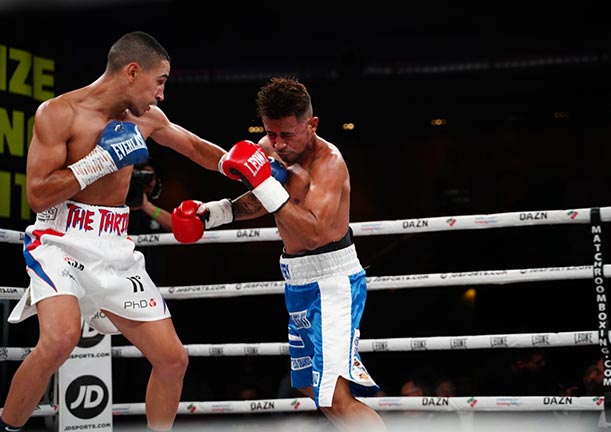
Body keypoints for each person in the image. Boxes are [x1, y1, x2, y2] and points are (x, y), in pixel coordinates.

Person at [1, 31, 226, 432]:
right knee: (58, 340)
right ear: (132, 71)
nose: (161, 95)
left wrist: (245, 166)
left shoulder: (147, 120)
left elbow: (195, 149)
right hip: (60, 239)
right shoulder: (59, 113)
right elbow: (37, 196)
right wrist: (100, 161)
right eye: (160, 81)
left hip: (115, 246)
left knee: (173, 360)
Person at [171, 77, 386, 430]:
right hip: (297, 279)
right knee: (308, 385)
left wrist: (265, 183)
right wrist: (217, 212)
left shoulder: (328, 163)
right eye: (271, 134)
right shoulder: (268, 148)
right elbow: (262, 199)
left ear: (311, 124)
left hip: (333, 280)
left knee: (335, 396)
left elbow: (314, 231)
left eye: (287, 134)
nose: (278, 144)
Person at [128, 159, 172, 233]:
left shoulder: (160, 204)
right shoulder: (112, 201)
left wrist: (147, 206)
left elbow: (180, 229)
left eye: (148, 176)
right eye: (136, 176)